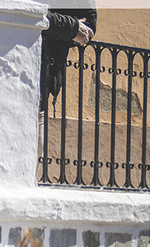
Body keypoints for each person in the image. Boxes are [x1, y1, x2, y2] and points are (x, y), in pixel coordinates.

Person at [38, 7, 97, 160]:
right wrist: (70, 28)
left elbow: (88, 28)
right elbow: (28, 13)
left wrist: (56, 27)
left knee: (35, 150)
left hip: (43, 80)